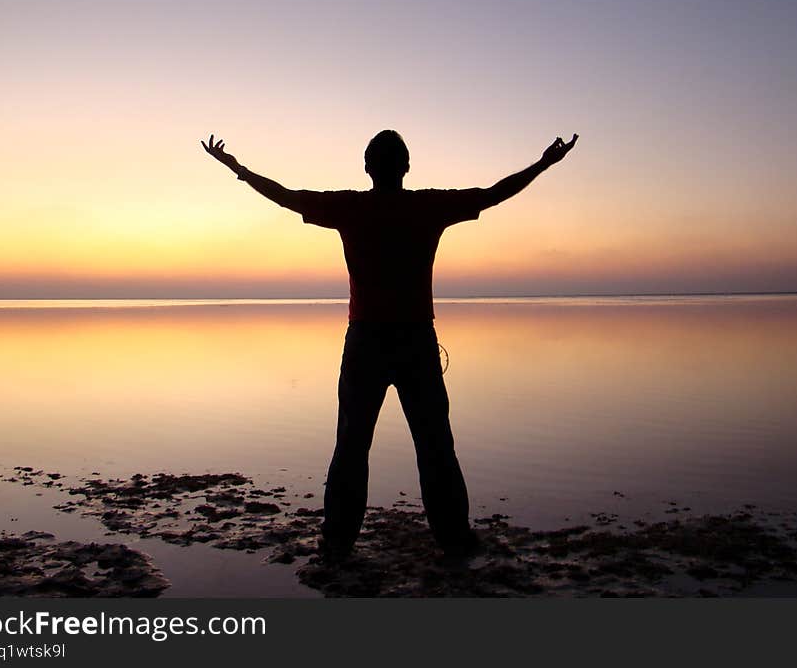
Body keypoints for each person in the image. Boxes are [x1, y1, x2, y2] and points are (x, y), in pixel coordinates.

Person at [202, 129, 578, 559]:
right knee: (434, 444)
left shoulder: (351, 206)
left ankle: (339, 541)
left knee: (353, 444)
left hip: (367, 341)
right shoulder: (426, 206)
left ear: (367, 167)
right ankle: (453, 539)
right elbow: (494, 193)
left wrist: (238, 169)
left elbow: (286, 196)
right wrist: (544, 164)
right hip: (414, 340)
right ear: (406, 167)